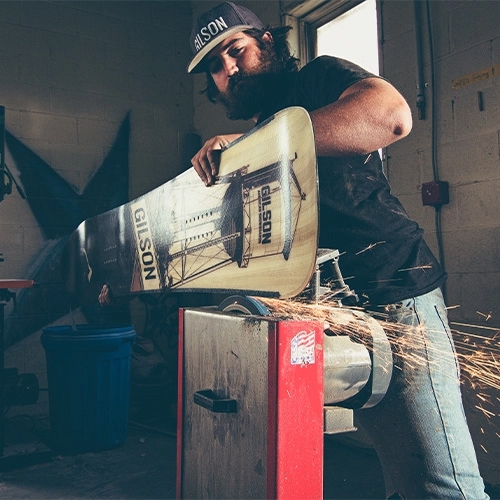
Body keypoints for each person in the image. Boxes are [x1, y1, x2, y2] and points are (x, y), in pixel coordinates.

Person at [187, 2, 488, 498]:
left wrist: (254, 145)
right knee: (405, 478)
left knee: (442, 486)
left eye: (235, 51)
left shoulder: (316, 81)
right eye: (216, 68)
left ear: (267, 43)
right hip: (328, 309)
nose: (229, 71)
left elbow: (389, 116)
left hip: (392, 290)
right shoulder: (251, 139)